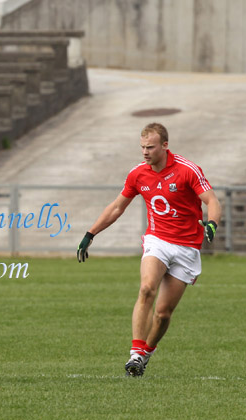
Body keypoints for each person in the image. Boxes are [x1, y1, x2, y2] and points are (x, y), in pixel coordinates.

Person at [77, 123, 221, 377]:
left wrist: (212, 223)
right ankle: (134, 352)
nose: (145, 152)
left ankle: (145, 354)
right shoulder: (137, 174)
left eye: (150, 147)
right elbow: (117, 207)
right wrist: (91, 233)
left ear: (165, 146)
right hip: (158, 240)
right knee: (146, 288)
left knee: (163, 314)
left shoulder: (187, 170)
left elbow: (212, 200)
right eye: (142, 147)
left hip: (187, 247)